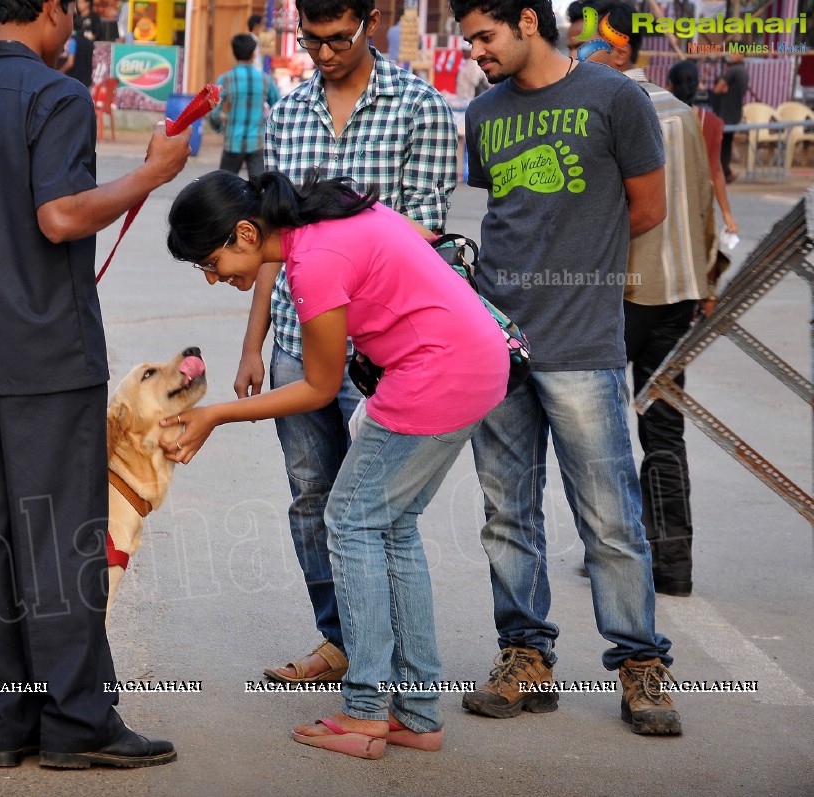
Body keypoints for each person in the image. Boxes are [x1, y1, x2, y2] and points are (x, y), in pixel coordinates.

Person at [0, 0, 193, 768]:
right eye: (68, 11)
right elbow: (61, 216)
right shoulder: (54, 94)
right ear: (41, 11)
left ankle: (3, 727)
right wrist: (152, 173)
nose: (71, 26)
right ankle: (76, 723)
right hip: (43, 351)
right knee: (62, 542)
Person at [163, 170, 508, 759]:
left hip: (434, 378)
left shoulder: (313, 261)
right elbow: (419, 241)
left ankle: (367, 712)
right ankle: (418, 715)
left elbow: (320, 387)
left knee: (347, 522)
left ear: (246, 232)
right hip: (476, 365)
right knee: (390, 527)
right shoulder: (335, 214)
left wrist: (215, 414)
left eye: (211, 260)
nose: (214, 276)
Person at [450, 0, 682, 735]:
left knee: (609, 518)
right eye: (467, 42)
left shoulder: (615, 98)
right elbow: (509, 210)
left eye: (484, 37)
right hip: (499, 343)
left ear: (526, 21)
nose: (474, 53)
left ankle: (640, 664)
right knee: (506, 513)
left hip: (582, 343)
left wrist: (579, 268)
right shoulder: (484, 112)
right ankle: (525, 657)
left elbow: (645, 208)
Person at [241, 0, 458, 685]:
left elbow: (423, 235)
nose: (325, 53)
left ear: (371, 22)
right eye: (312, 40)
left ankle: (386, 659)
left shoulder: (419, 106)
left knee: (375, 510)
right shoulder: (288, 110)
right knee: (310, 496)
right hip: (294, 337)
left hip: (375, 347)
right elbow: (271, 239)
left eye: (339, 39)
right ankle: (339, 642)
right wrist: (254, 343)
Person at [587, 2, 719, 600]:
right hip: (679, 293)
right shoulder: (685, 114)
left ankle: (616, 558)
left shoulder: (607, 109)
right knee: (664, 429)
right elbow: (704, 204)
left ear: (614, 48)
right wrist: (708, 283)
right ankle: (675, 565)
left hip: (621, 291)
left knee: (607, 429)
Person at [667, 59, 739, 245]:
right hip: (697, 207)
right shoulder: (712, 123)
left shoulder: (658, 118)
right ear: (697, 87)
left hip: (664, 207)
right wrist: (726, 213)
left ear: (669, 86)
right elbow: (715, 171)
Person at [212, 34, 280, 179]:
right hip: (257, 142)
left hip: (232, 142)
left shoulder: (225, 79)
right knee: (258, 190)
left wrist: (218, 127)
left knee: (225, 188)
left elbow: (213, 112)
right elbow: (279, 108)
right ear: (253, 53)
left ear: (234, 52)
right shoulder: (265, 80)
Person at [712, 49, 748, 182]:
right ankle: (726, 173)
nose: (731, 55)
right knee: (726, 143)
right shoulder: (744, 71)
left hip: (726, 113)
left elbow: (717, 89)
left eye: (734, 53)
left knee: (720, 143)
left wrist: (723, 88)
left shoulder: (733, 71)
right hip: (735, 112)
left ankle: (722, 173)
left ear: (742, 55)